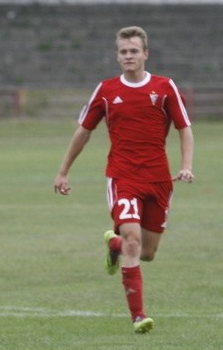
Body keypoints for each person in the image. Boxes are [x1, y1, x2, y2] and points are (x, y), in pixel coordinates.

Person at [54, 26, 194, 334]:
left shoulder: (165, 87)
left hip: (158, 180)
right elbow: (84, 132)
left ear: (145, 54)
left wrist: (186, 166)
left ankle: (114, 244)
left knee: (146, 252)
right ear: (117, 56)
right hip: (122, 177)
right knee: (134, 242)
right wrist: (64, 171)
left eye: (134, 51)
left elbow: (184, 128)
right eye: (123, 51)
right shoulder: (106, 91)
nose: (128, 56)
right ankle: (138, 316)